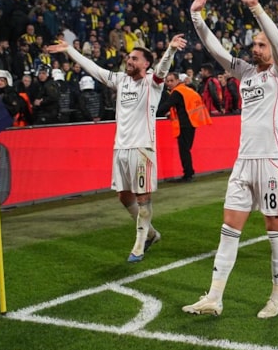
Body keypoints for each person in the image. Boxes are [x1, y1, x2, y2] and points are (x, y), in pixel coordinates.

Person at [182, 0, 278, 319]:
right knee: (228, 231)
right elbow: (216, 51)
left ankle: (277, 298)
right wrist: (197, 17)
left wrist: (256, 9)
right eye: (254, 44)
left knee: (275, 233)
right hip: (243, 163)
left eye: (261, 44)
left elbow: (276, 39)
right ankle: (214, 297)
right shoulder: (245, 73)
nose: (255, 48)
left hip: (272, 163)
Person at [48, 33, 184, 262]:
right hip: (120, 148)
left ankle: (139, 245)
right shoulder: (121, 80)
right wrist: (69, 50)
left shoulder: (152, 82)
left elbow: (162, 69)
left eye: (134, 58)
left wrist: (170, 50)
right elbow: (94, 69)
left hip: (142, 148)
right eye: (129, 57)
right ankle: (151, 234)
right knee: (124, 196)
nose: (129, 61)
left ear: (146, 64)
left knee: (143, 197)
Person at [157, 72, 212, 182]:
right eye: (167, 81)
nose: (169, 83)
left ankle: (188, 174)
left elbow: (167, 105)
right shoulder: (186, 90)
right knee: (186, 149)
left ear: (178, 80)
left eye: (171, 81)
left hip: (184, 124)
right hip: (192, 123)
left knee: (184, 151)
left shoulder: (177, 92)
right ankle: (189, 172)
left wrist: (152, 113)